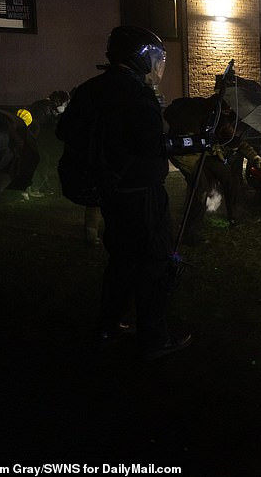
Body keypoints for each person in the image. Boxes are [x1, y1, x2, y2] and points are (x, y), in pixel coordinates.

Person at [56, 25, 190, 359]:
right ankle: (154, 338)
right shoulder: (136, 94)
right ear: (139, 57)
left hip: (110, 193)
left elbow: (64, 129)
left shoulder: (91, 88)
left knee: (122, 260)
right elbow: (150, 144)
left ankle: (109, 326)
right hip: (141, 194)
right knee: (155, 262)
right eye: (155, 58)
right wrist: (183, 142)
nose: (158, 65)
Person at [164, 95, 261, 244]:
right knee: (200, 188)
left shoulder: (218, 117)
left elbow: (235, 140)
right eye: (227, 109)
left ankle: (235, 217)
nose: (228, 113)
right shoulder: (192, 112)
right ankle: (191, 234)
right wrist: (204, 141)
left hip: (205, 153)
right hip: (185, 155)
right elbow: (186, 140)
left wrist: (255, 157)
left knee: (229, 177)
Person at [25, 90, 70, 197]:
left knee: (42, 162)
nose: (65, 106)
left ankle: (41, 187)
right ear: (59, 101)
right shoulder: (45, 107)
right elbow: (43, 126)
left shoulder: (45, 105)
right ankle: (34, 188)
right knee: (42, 163)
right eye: (65, 103)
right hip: (37, 140)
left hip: (36, 139)